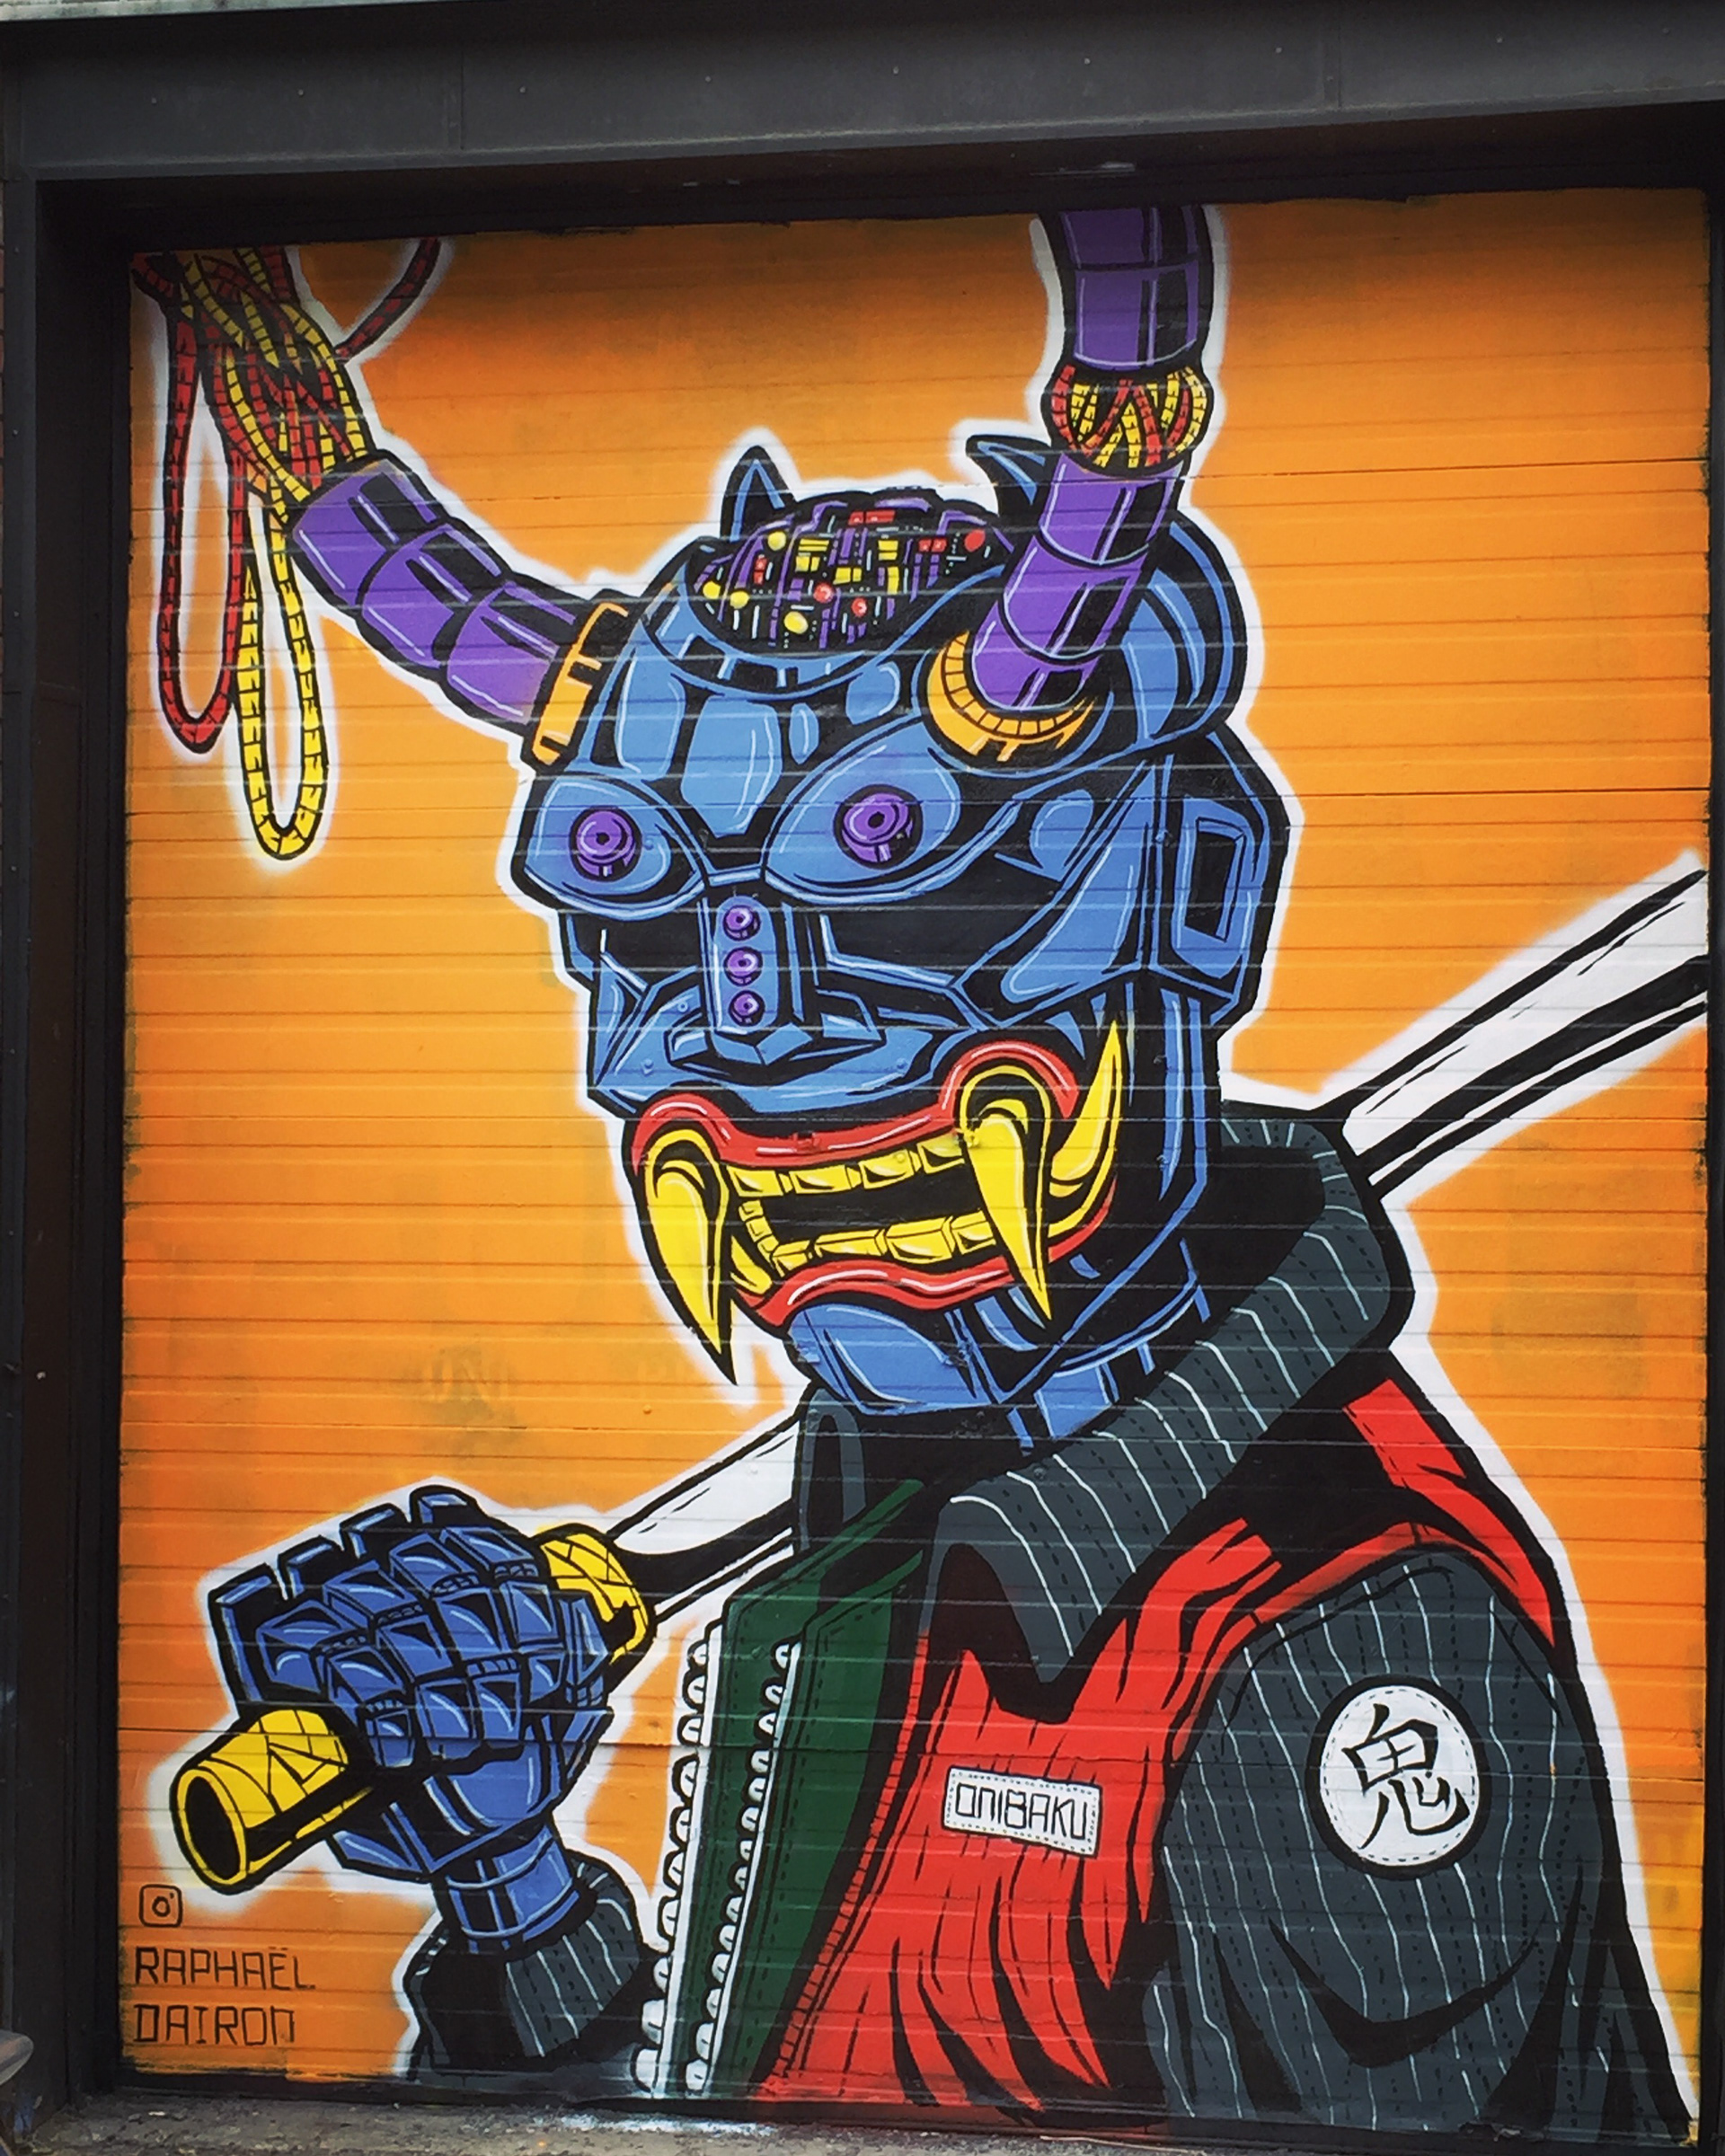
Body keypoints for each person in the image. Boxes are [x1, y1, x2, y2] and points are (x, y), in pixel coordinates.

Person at [140, 208, 1689, 2139]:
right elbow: (783, 2089)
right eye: (664, 941)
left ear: (1193, 901)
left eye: (920, 910)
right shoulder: (893, 1513)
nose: (768, 1038)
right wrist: (513, 1884)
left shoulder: (1332, 1653)